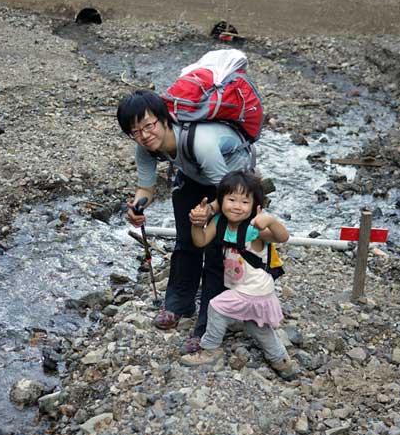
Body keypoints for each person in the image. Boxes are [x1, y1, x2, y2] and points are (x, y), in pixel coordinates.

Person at [116, 90, 255, 354]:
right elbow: (145, 189)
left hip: (232, 181)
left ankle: (208, 326)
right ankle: (180, 304)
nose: (144, 135)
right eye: (135, 131)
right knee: (186, 242)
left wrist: (209, 210)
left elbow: (227, 192)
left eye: (149, 125)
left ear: (164, 119)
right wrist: (137, 207)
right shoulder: (145, 148)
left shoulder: (200, 142)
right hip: (195, 175)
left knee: (215, 251)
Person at [180, 170, 296, 380]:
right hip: (250, 291)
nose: (236, 205)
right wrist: (197, 225)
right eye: (231, 199)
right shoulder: (219, 222)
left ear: (254, 206)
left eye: (244, 201)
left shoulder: (254, 228)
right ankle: (282, 362)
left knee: (216, 306)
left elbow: (283, 237)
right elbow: (201, 240)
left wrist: (269, 221)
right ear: (221, 199)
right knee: (257, 327)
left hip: (254, 291)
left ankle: (210, 349)